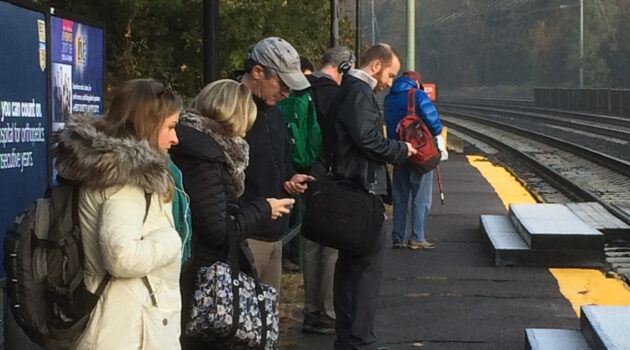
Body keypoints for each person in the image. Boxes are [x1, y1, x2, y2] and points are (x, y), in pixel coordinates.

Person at [53, 78, 184, 349]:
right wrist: (171, 242)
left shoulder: (115, 171)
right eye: (170, 127)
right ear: (147, 123)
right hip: (125, 329)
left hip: (124, 322)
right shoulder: (124, 181)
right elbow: (121, 257)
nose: (175, 138)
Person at [169, 79, 294, 349]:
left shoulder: (200, 148)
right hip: (204, 274)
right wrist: (263, 209)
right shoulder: (204, 157)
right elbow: (219, 229)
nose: (246, 133)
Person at [327, 43, 417, 350]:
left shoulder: (350, 89)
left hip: (352, 188)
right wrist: (401, 150)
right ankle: (360, 340)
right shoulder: (358, 91)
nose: (389, 83)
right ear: (376, 66)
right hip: (361, 191)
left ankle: (350, 337)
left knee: (351, 266)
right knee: (366, 269)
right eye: (390, 75)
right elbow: (367, 140)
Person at [236, 37, 314, 292]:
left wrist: (288, 179)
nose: (285, 93)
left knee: (266, 320)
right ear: (257, 72)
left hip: (273, 231)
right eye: (281, 84)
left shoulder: (273, 111)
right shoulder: (232, 110)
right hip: (245, 232)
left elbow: (281, 157)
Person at [301, 45, 355, 335]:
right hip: (330, 175)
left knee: (310, 245)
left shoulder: (301, 89)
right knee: (331, 247)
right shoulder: (337, 95)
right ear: (345, 67)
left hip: (302, 174)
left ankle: (310, 311)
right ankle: (328, 313)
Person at [384, 71, 447, 250]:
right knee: (421, 196)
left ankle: (397, 236)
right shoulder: (417, 95)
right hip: (419, 153)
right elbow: (433, 123)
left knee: (400, 195)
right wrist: (436, 133)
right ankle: (417, 237)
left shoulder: (390, 98)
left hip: (399, 151)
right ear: (417, 83)